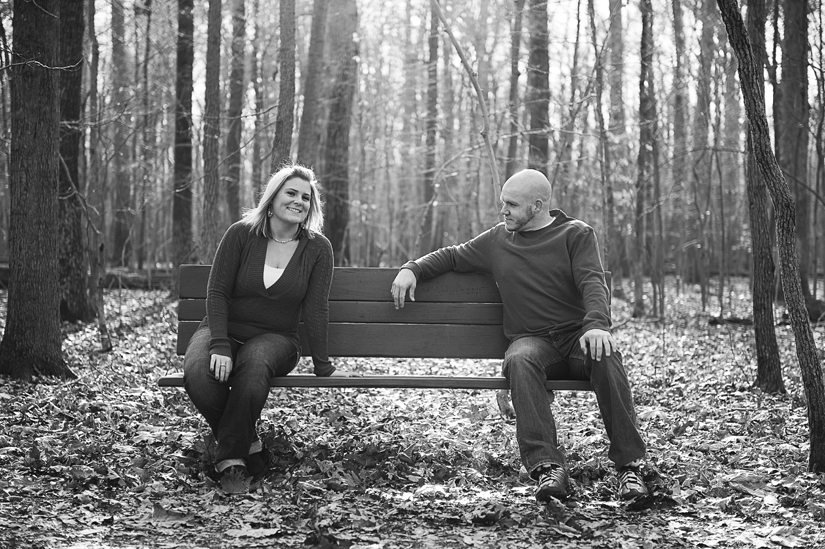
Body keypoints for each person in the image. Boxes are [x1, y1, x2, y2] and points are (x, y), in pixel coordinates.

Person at [391, 169, 648, 502]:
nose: (503, 211)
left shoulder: (575, 234)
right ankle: (547, 469)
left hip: (575, 339)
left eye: (511, 204)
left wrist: (597, 324)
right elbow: (452, 255)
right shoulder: (499, 239)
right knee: (520, 358)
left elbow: (592, 281)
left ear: (537, 206)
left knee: (607, 354)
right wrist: (412, 268)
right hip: (534, 342)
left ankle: (631, 466)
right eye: (503, 203)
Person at [183, 163, 337, 483]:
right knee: (198, 375)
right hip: (222, 329)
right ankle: (248, 443)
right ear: (272, 197)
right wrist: (221, 344)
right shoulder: (241, 234)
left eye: (306, 198)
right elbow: (217, 292)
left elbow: (316, 309)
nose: (299, 201)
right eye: (291, 193)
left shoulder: (317, 248)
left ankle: (229, 462)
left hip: (277, 339)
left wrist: (323, 366)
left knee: (254, 365)